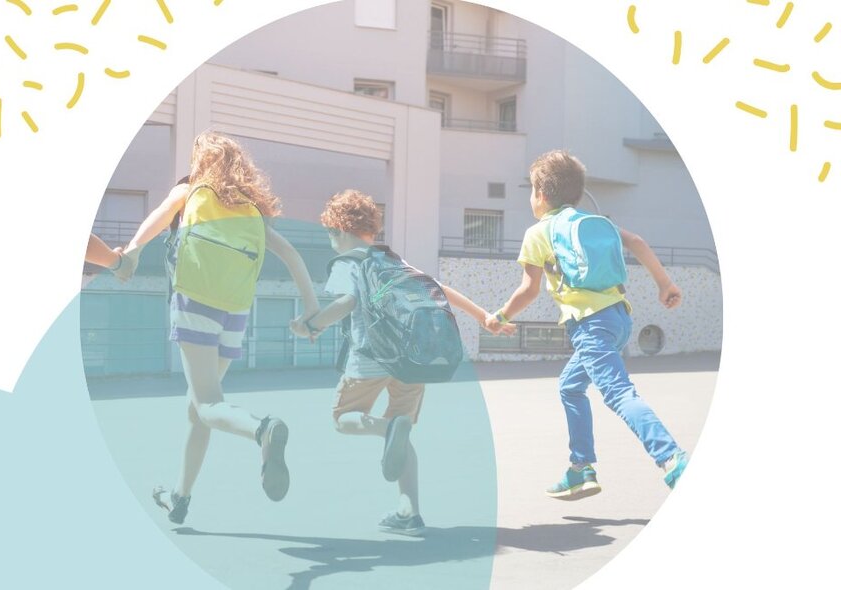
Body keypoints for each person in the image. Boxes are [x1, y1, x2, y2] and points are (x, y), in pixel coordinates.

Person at [119, 131, 320, 524]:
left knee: (208, 405)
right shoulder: (250, 210)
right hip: (235, 312)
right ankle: (180, 497)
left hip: (196, 301)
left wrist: (129, 254)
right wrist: (311, 309)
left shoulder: (192, 190)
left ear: (202, 162)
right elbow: (293, 255)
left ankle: (262, 430)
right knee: (201, 410)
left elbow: (155, 220)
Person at [290, 189, 514, 536]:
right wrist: (484, 316)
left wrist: (312, 325)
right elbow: (438, 288)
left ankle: (386, 429)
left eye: (330, 233)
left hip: (369, 359)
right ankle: (409, 511)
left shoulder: (348, 262)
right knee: (402, 426)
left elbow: (348, 302)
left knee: (342, 419)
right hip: (412, 360)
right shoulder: (393, 260)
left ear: (339, 230)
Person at [485, 149, 688, 500]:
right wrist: (664, 283)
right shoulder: (598, 221)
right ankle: (581, 469)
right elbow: (637, 242)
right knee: (569, 386)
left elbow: (528, 290)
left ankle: (671, 458)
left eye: (532, 191)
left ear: (542, 195)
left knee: (619, 393)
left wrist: (500, 316)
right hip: (618, 318)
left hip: (591, 326)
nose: (531, 198)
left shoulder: (540, 232)